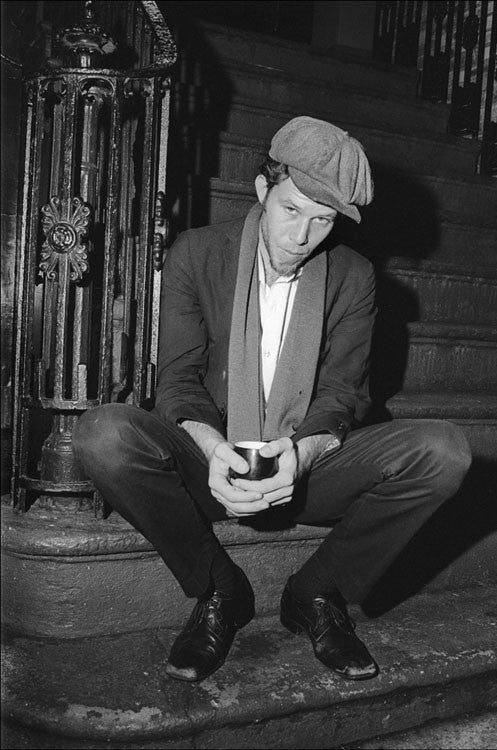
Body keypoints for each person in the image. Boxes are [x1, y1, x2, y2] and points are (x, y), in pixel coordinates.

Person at [73, 116, 472, 684]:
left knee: (445, 451)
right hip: (211, 465)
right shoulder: (197, 254)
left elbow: (342, 395)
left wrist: (301, 455)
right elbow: (179, 381)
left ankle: (316, 593)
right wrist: (212, 448)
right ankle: (219, 588)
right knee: (102, 434)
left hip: (305, 471)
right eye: (291, 210)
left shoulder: (353, 276)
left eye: (323, 220)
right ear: (262, 190)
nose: (301, 236)